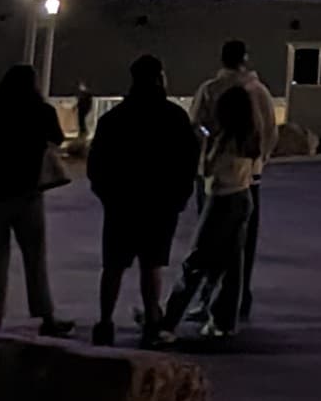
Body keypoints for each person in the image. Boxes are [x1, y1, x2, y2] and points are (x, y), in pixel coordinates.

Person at [85, 54, 200, 345]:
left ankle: (105, 323)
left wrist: (108, 196)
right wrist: (179, 197)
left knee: (113, 265)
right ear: (160, 77)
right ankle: (151, 321)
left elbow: (96, 165)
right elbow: (188, 160)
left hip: (121, 204)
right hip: (160, 204)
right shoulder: (174, 117)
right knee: (152, 265)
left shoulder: (113, 119)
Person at [0, 61, 76, 335]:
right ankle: (46, 316)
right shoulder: (41, 110)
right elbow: (58, 137)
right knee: (35, 258)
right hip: (26, 192)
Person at [160, 79, 262, 346]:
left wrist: (204, 140)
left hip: (222, 200)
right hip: (242, 197)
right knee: (232, 264)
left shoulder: (223, 139)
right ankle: (223, 321)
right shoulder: (249, 136)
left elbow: (207, 169)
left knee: (195, 262)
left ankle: (168, 321)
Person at [192, 38, 276, 323]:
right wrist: (259, 161)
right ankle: (236, 301)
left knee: (206, 243)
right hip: (249, 178)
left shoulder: (210, 90)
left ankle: (205, 298)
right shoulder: (259, 92)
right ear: (246, 58)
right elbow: (270, 134)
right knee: (241, 245)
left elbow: (196, 127)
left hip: (213, 178)